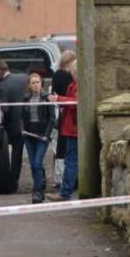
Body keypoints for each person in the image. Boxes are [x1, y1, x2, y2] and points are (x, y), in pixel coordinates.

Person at [20, 72, 55, 204]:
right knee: (33, 164)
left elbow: (52, 118)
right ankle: (41, 181)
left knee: (37, 163)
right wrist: (22, 129)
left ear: (41, 84)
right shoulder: (25, 99)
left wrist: (47, 134)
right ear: (29, 85)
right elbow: (21, 116)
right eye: (33, 83)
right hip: (29, 135)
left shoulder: (47, 98)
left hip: (42, 135)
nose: (35, 85)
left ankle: (38, 191)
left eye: (38, 82)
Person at [48, 60, 79, 202]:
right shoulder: (74, 85)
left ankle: (65, 192)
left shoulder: (77, 86)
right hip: (71, 127)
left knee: (71, 161)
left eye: (72, 72)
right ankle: (65, 191)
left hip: (73, 128)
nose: (71, 74)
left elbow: (75, 103)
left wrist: (58, 98)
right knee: (70, 160)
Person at [0, 60, 28, 194]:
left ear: (0, 71)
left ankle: (13, 182)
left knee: (13, 154)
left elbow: (6, 109)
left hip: (13, 125)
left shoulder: (3, 86)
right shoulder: (24, 78)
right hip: (28, 123)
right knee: (27, 154)